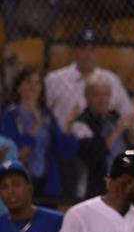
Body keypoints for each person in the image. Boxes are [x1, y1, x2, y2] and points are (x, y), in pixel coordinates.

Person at [0, 68, 78, 198]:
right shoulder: (10, 116)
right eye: (29, 82)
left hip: (46, 182)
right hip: (19, 180)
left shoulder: (48, 117)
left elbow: (65, 153)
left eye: (37, 83)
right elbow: (18, 155)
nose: (33, 87)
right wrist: (35, 125)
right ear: (19, 87)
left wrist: (69, 127)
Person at [44, 28, 134, 132]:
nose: (88, 54)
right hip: (67, 138)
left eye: (92, 49)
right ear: (74, 51)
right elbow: (43, 111)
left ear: (98, 52)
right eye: (83, 49)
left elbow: (128, 112)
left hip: (103, 137)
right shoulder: (55, 79)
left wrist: (121, 125)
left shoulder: (111, 79)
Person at [72, 73, 134, 200]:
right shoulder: (81, 122)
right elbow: (95, 153)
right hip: (95, 187)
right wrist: (118, 131)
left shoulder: (115, 117)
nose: (103, 99)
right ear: (87, 96)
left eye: (107, 94)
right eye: (97, 95)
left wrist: (131, 129)